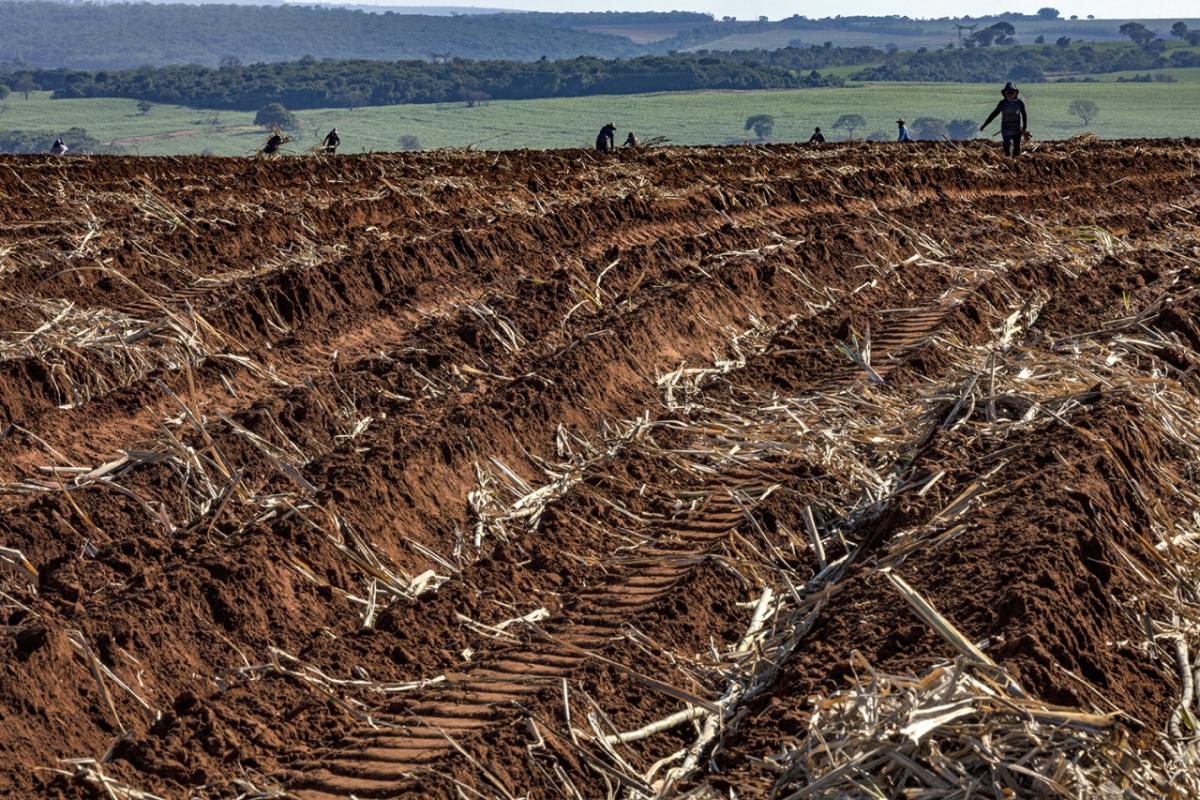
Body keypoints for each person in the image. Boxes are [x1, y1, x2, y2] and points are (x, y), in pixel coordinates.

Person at [981, 82, 1028, 157]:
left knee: (1017, 149)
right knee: (1007, 146)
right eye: (1008, 92)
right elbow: (993, 114)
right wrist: (985, 124)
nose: (1010, 94)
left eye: (1012, 92)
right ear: (1005, 93)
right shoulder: (1002, 103)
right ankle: (1008, 160)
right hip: (1006, 128)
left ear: (1016, 93)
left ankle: (1015, 164)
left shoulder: (1020, 103)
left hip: (1017, 128)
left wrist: (1024, 128)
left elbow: (1024, 115)